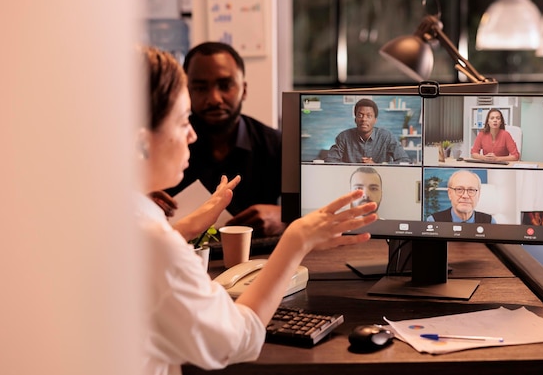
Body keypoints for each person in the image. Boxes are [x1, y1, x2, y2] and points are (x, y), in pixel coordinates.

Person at [137, 46, 378, 374]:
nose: (190, 133)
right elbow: (236, 339)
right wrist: (296, 241)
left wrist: (186, 227)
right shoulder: (154, 242)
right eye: (182, 122)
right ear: (140, 143)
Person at [158, 41, 285, 239]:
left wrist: (284, 217)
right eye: (200, 88)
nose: (215, 98)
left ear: (243, 89)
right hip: (184, 259)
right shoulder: (164, 144)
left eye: (225, 86)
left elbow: (321, 208)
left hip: (257, 261)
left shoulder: (276, 144)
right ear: (186, 91)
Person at [324, 98, 410, 164]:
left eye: (369, 116)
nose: (364, 119)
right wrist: (354, 167)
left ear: (375, 120)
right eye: (360, 115)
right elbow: (330, 160)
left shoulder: (386, 136)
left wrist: (378, 166)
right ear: (355, 119)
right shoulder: (344, 137)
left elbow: (405, 161)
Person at [426, 170, 496, 223]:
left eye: (471, 190)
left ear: (479, 194)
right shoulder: (433, 221)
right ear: (450, 193)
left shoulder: (490, 222)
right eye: (459, 189)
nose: (465, 196)